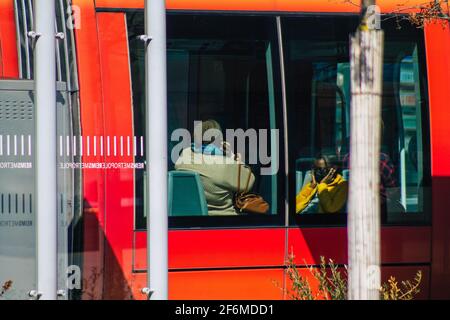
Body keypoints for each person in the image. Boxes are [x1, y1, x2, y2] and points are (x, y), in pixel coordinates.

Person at [175, 120, 255, 216]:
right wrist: (233, 158)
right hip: (222, 220)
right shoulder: (226, 164)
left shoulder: (184, 156)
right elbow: (249, 182)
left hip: (191, 217)